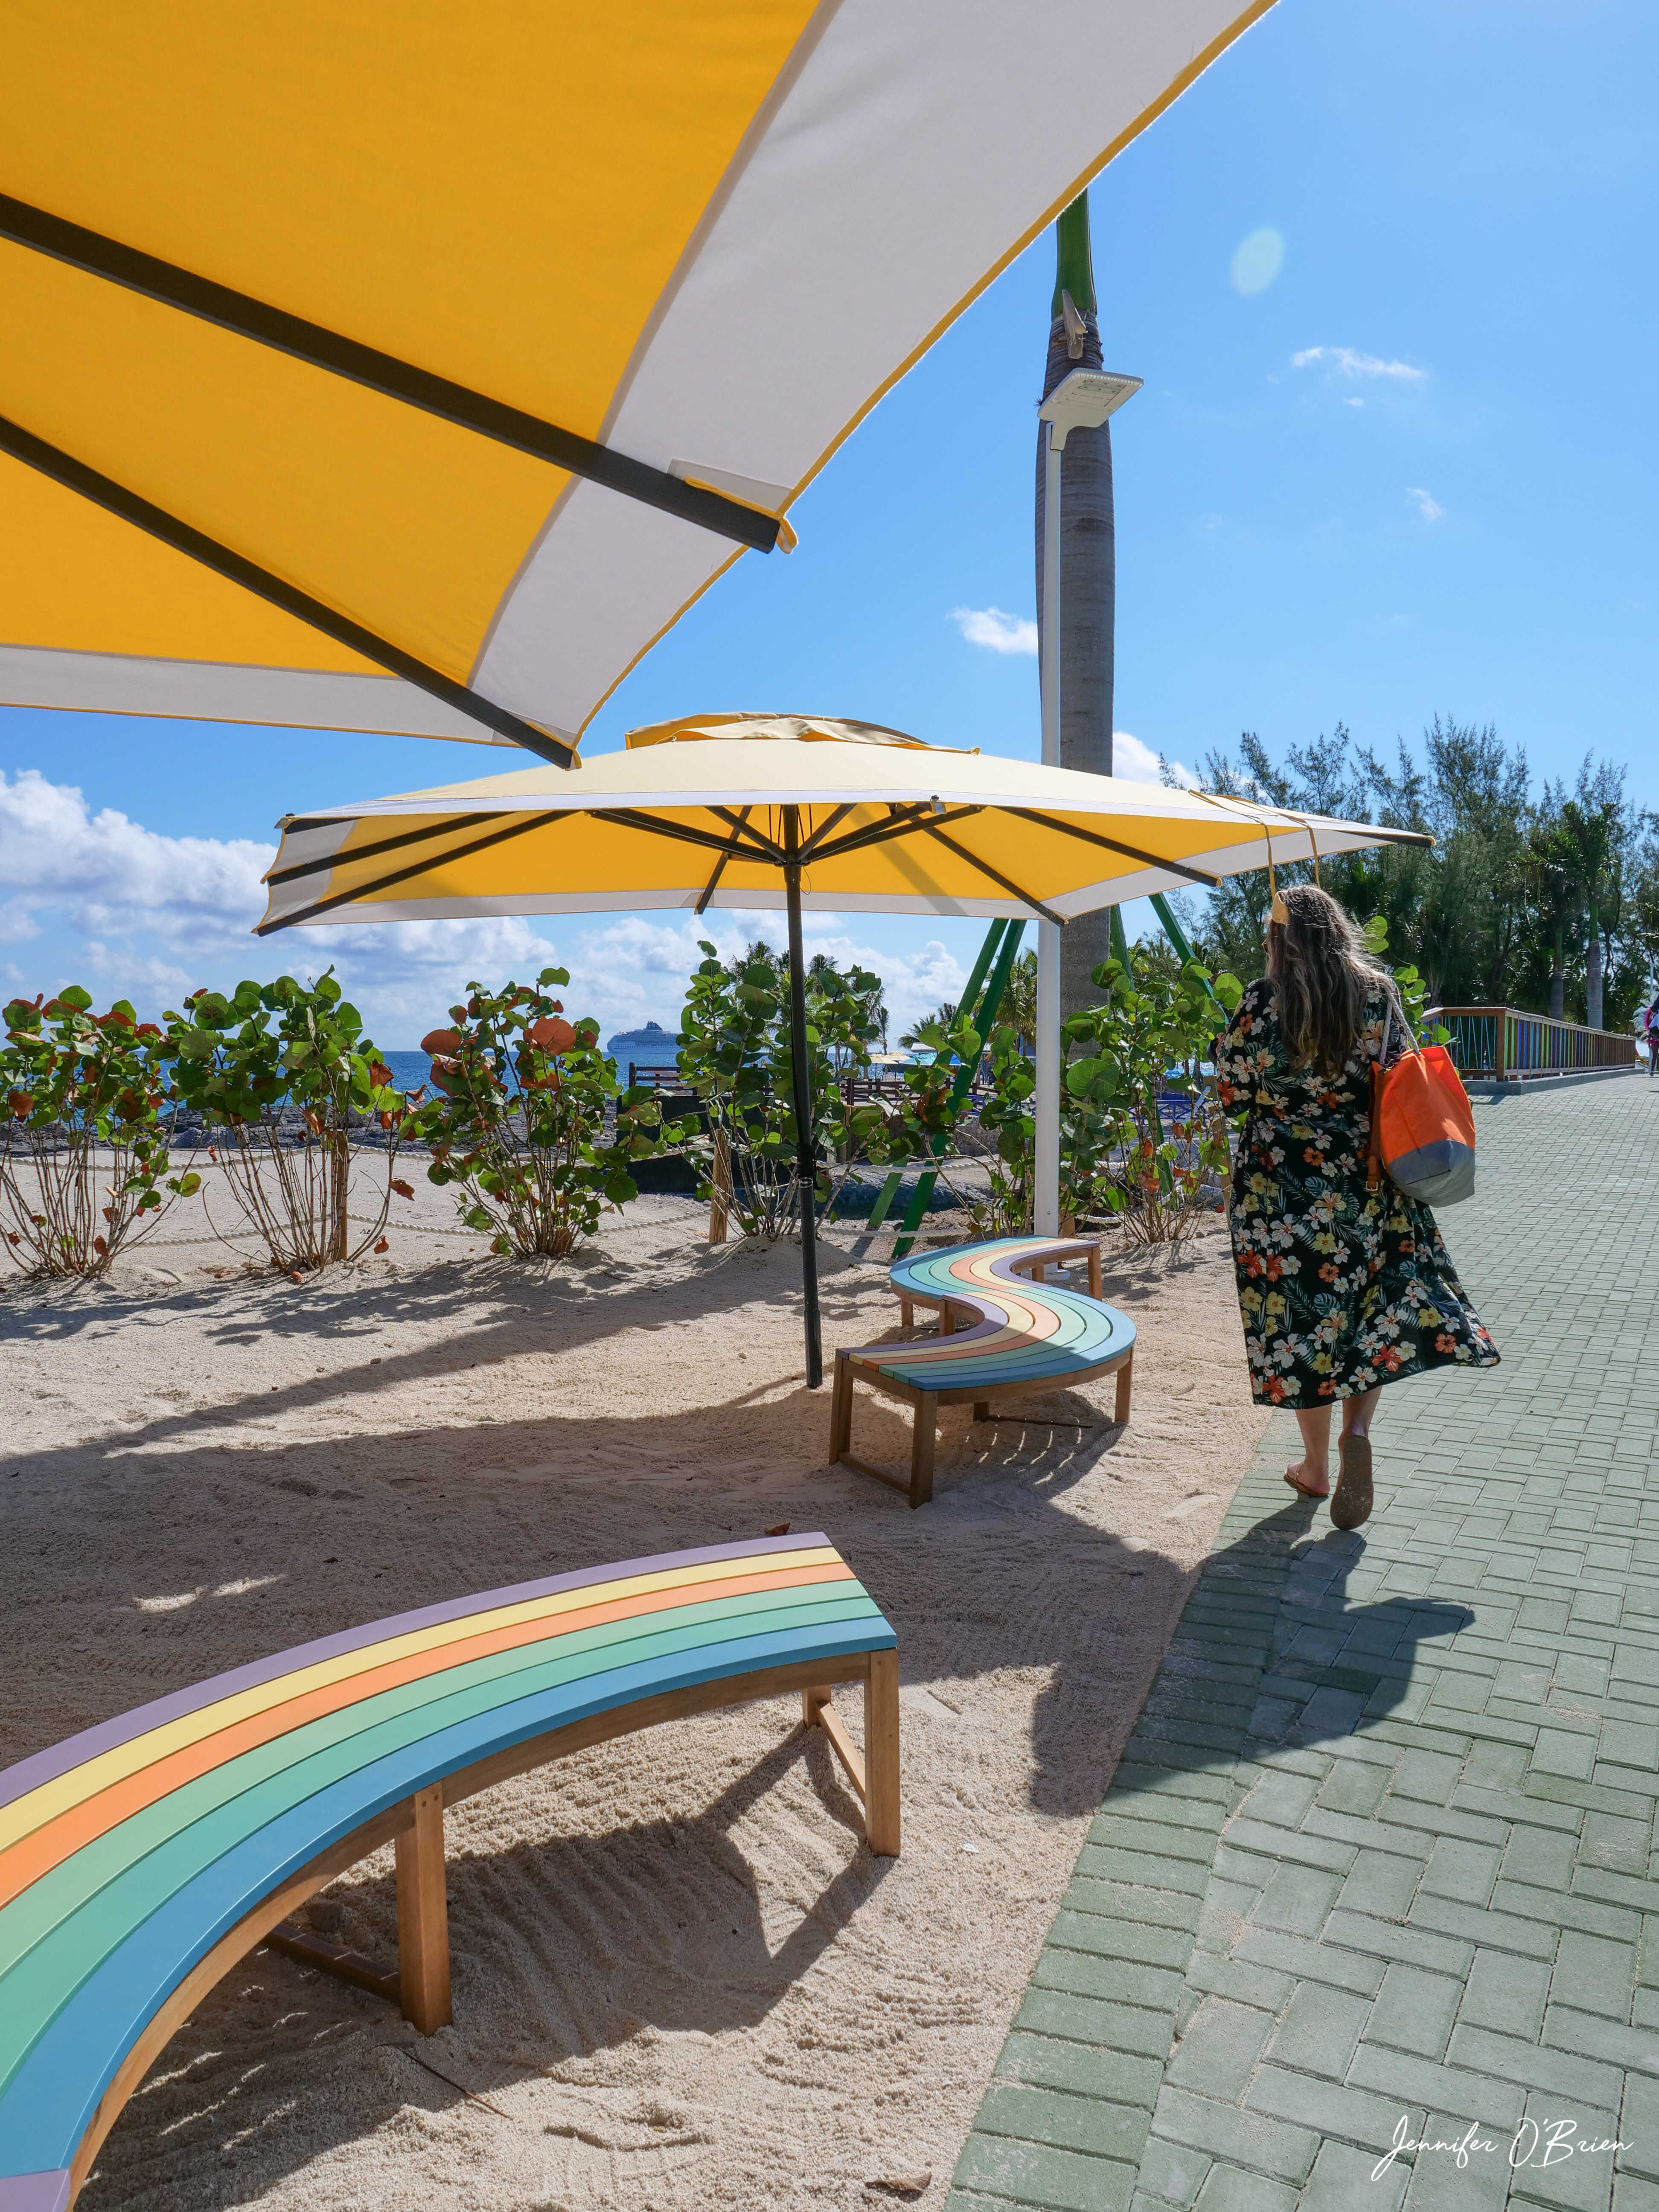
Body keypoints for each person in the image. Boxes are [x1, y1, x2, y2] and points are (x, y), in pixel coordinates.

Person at [1214, 883, 1499, 1527]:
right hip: (1368, 1184)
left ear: (1281, 939)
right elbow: (1402, 1077)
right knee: (1364, 1317)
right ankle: (1357, 1437)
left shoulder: (1263, 1002)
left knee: (1298, 1332)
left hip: (1279, 1193)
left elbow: (1233, 1095)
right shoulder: (1377, 992)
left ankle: (1314, 1466)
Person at [1642, 992, 1659, 1077]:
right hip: (1655, 1037)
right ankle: (1652, 1070)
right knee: (1655, 1055)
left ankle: (1652, 1070)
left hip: (1655, 1035)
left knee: (1655, 1056)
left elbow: (1654, 1009)